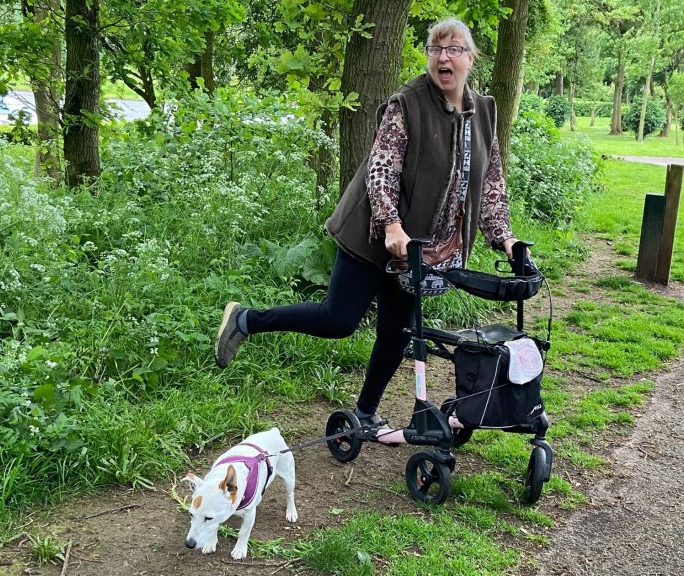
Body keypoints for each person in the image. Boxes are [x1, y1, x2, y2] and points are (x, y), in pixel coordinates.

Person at [214, 17, 524, 429]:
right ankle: (246, 319)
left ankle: (364, 415)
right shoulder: (408, 103)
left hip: (419, 250)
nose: (443, 57)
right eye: (435, 49)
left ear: (471, 58)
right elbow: (382, 168)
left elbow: (489, 183)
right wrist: (391, 223)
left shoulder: (482, 112)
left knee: (396, 335)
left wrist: (505, 238)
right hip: (373, 233)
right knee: (338, 320)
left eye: (453, 50)